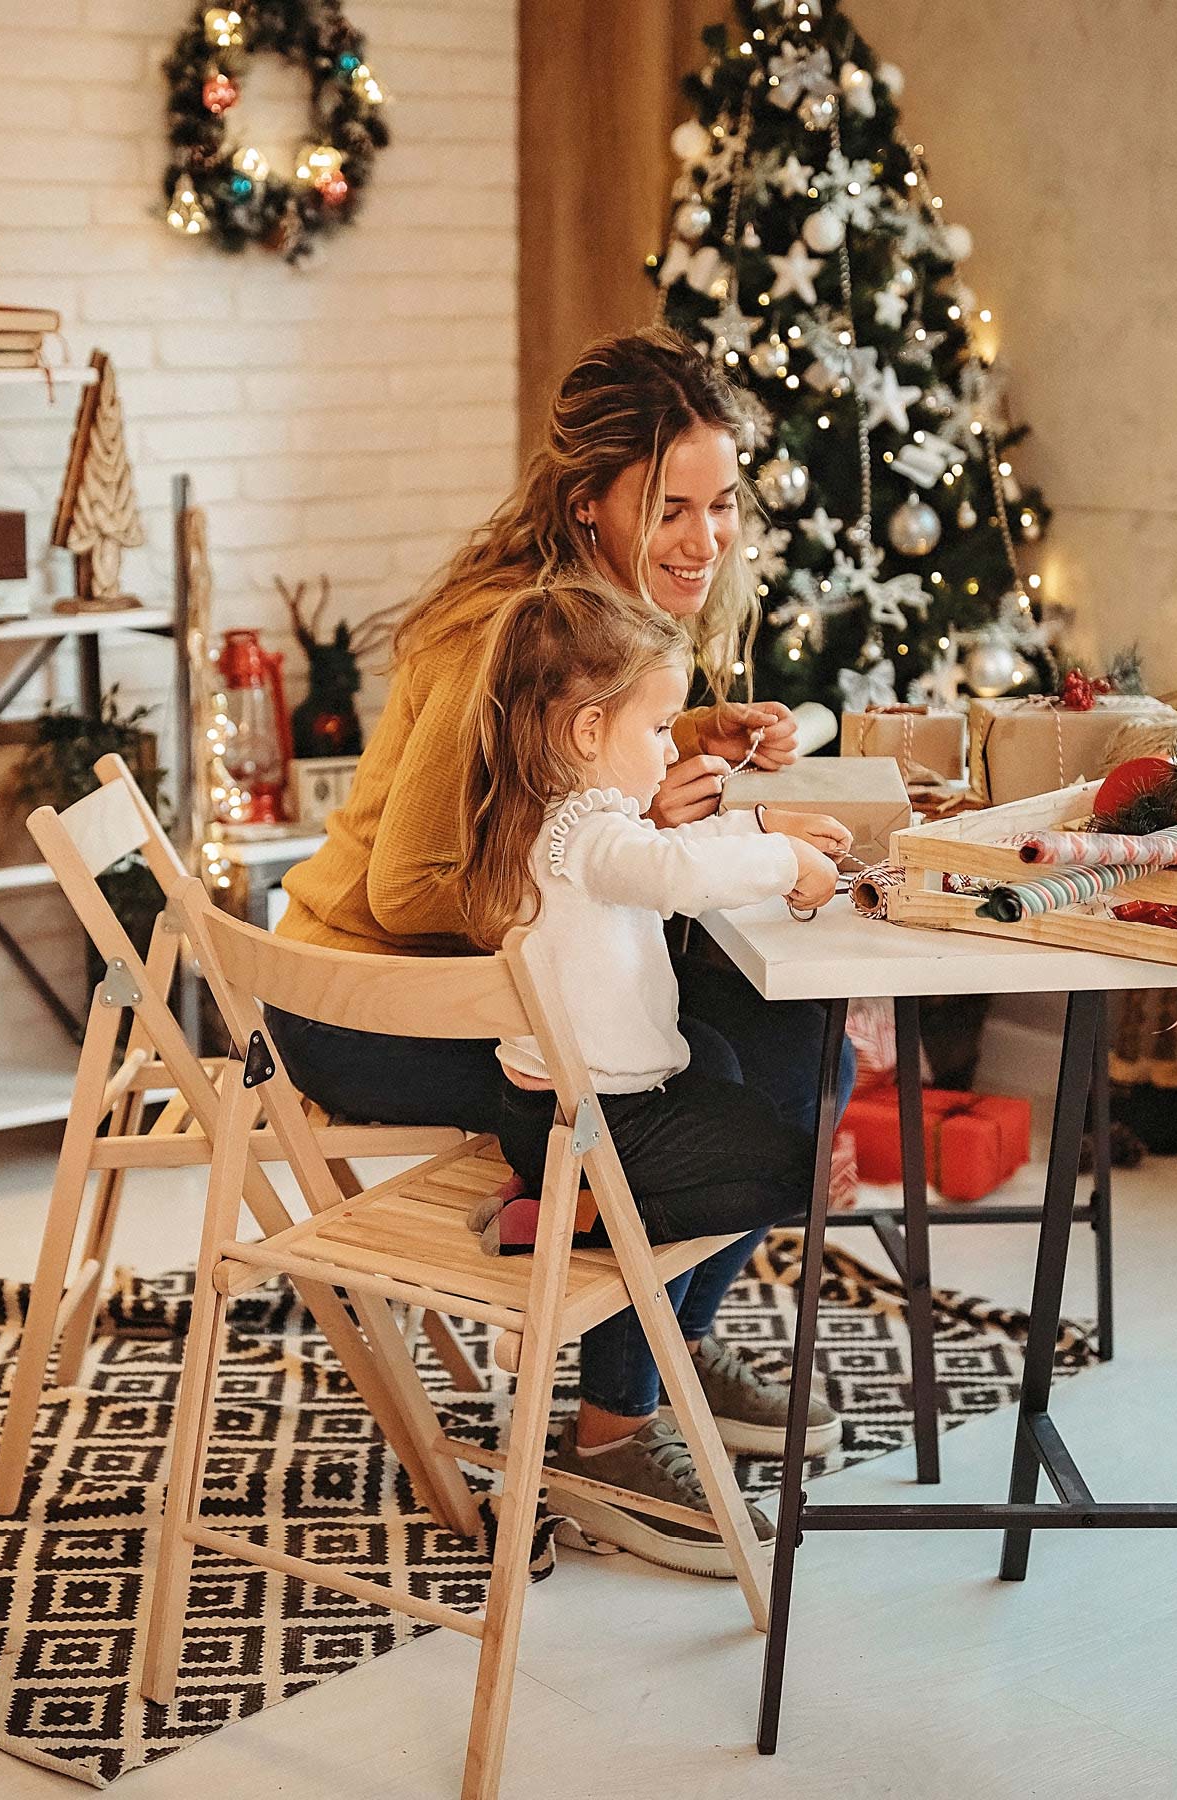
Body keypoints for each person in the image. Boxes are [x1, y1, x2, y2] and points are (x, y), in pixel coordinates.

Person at [268, 326, 856, 1564]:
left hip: (477, 984)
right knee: (708, 1082)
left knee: (796, 1042)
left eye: (723, 504)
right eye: (671, 509)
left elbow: (542, 767)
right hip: (371, 1001)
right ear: (589, 504)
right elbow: (413, 880)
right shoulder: (504, 627)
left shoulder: (588, 617)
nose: (707, 540)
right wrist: (633, 829)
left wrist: (683, 729)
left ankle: (661, 1349)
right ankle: (607, 1439)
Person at [455, 577, 845, 1576]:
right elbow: (669, 873)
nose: (673, 750)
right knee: (785, 1157)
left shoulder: (557, 819)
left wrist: (765, 838)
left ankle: (564, 1225)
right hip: (599, 1124)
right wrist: (780, 859)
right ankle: (577, 1248)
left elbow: (667, 851)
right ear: (587, 731)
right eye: (661, 728)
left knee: (725, 1072)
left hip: (554, 1111)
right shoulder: (587, 835)